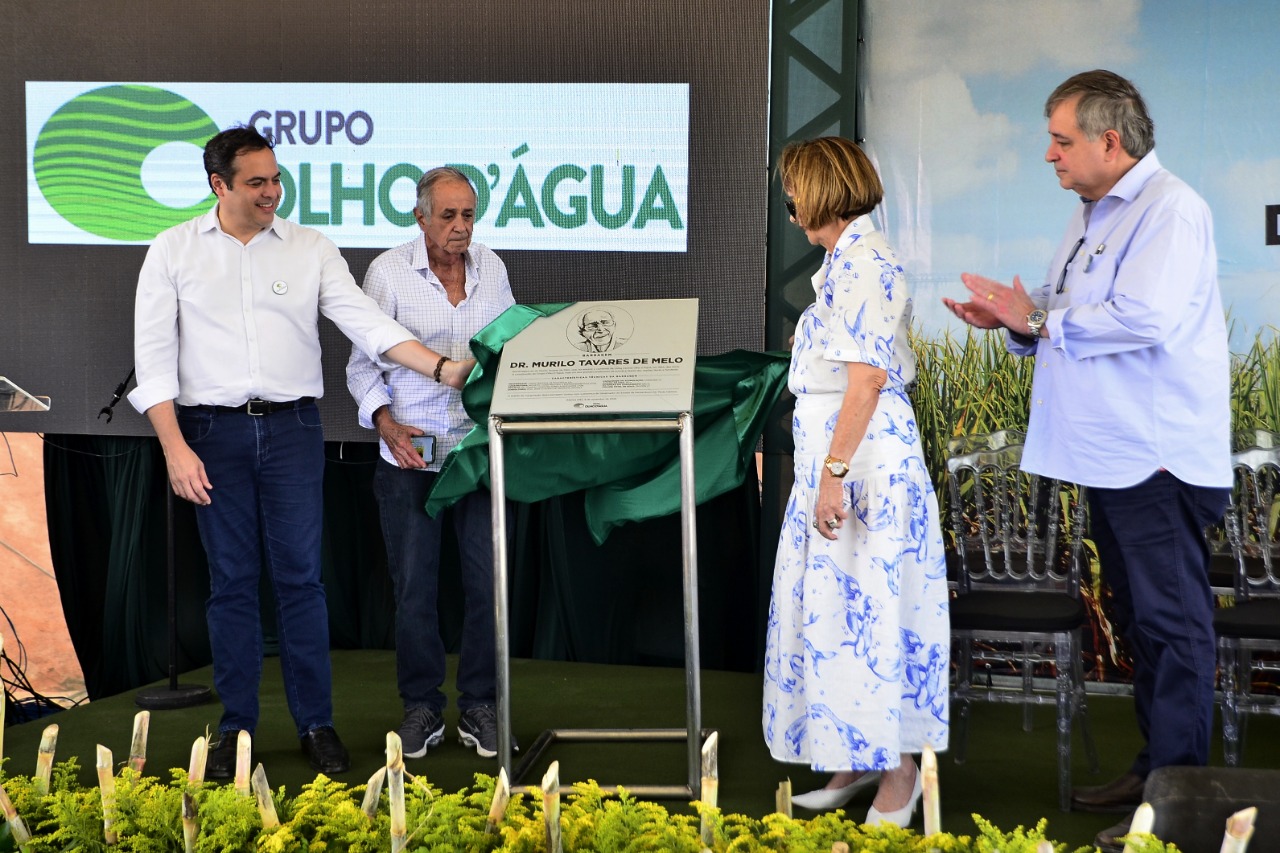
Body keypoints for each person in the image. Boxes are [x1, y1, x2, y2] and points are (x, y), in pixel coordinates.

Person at [942, 70, 1231, 852]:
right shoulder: (1091, 214)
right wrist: (1013, 316)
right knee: (1142, 620)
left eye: (1062, 139)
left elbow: (1144, 317)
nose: (1049, 154)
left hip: (1157, 458)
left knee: (1174, 629)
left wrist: (1035, 315)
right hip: (1113, 458)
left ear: (1111, 140)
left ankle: (1177, 801)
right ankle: (1154, 771)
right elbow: (1065, 306)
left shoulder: (1172, 210)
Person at [129, 127, 473, 780]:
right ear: (219, 186)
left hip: (291, 433)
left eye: (276, 178)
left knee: (300, 582)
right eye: (256, 181)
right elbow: (153, 358)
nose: (271, 191)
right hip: (210, 434)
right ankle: (236, 727)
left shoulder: (310, 248)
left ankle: (316, 721)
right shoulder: (172, 251)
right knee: (231, 583)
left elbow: (367, 324)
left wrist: (440, 367)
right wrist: (173, 447)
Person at [762, 136, 949, 828]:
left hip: (865, 468)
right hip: (841, 463)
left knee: (868, 615)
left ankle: (900, 771)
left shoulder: (867, 261)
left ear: (816, 193)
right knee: (838, 618)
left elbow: (867, 379)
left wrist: (834, 475)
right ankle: (857, 752)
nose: (788, 212)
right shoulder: (842, 263)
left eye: (792, 196)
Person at [346, 167, 515, 759]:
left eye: (468, 214)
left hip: (476, 453)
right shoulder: (388, 273)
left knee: (486, 586)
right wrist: (385, 424)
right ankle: (421, 706)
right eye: (448, 215)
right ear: (420, 218)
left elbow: (507, 350)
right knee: (415, 590)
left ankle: (481, 706)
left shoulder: (492, 268)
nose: (461, 227)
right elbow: (362, 364)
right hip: (409, 456)